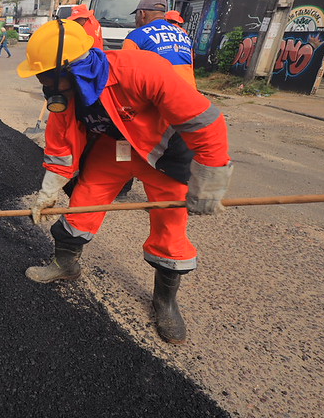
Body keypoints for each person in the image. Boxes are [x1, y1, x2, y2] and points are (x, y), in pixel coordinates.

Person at [18, 19, 232, 344]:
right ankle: (65, 264)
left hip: (163, 149)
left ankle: (165, 301)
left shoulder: (141, 69)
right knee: (84, 201)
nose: (43, 84)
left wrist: (211, 182)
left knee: (170, 225)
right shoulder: (66, 93)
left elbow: (206, 123)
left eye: (46, 75)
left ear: (71, 67)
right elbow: (61, 143)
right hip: (115, 147)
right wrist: (49, 189)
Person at [122, 0, 195, 88]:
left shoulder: (135, 36)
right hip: (190, 92)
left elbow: (126, 72)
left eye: (136, 16)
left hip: (160, 94)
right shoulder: (183, 34)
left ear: (142, 14)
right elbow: (190, 67)